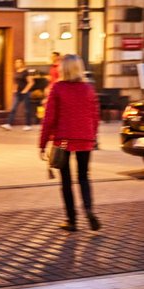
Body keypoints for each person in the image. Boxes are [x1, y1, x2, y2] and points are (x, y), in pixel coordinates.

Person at [39, 54, 100, 232]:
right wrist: (92, 136)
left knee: (66, 180)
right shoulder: (88, 89)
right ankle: (88, 209)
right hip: (85, 139)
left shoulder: (57, 88)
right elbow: (95, 116)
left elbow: (49, 119)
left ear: (62, 69)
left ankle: (71, 220)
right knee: (83, 176)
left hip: (63, 140)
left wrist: (43, 144)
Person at [0, 58, 35, 132]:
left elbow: (31, 82)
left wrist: (25, 90)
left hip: (25, 93)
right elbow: (16, 82)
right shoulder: (17, 72)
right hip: (18, 93)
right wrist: (14, 89)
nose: (17, 63)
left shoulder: (26, 72)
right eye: (16, 62)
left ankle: (28, 125)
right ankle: (8, 124)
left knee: (27, 110)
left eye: (19, 62)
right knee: (13, 108)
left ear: (22, 63)